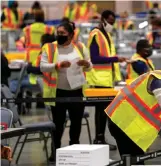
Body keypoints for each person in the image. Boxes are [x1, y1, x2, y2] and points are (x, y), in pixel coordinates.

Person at [40, 22, 92, 162]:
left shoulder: (81, 47)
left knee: (76, 123)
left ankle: (74, 149)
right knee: (58, 124)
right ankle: (55, 150)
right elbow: (43, 67)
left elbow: (89, 66)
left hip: (77, 91)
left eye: (63, 33)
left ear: (71, 35)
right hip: (58, 92)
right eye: (58, 33)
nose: (59, 36)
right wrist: (57, 65)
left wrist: (86, 64)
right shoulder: (49, 48)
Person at [86, 10, 127, 150]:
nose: (111, 24)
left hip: (107, 80)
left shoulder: (107, 35)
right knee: (100, 111)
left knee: (104, 112)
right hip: (98, 80)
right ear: (102, 19)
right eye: (109, 22)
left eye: (113, 22)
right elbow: (95, 58)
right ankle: (99, 139)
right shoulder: (95, 34)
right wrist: (116, 59)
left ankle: (101, 138)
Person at [22, 9, 55, 85]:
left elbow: (24, 44)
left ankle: (32, 92)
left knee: (31, 78)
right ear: (43, 17)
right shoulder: (50, 29)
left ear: (34, 17)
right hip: (45, 56)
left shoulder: (27, 29)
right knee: (44, 79)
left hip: (30, 57)